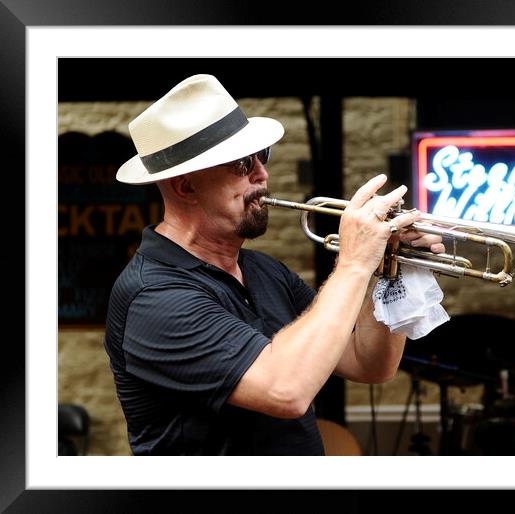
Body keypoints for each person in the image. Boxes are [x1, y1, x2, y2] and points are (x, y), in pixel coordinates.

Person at [103, 74, 445, 455]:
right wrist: (352, 263)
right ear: (185, 187)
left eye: (261, 156)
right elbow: (286, 390)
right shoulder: (154, 297)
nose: (262, 174)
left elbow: (369, 364)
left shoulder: (263, 270)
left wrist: (392, 268)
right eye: (241, 164)